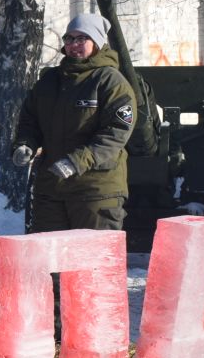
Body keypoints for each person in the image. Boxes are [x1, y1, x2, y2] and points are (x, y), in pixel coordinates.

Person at [13, 12, 135, 232]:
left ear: (97, 42)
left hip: (96, 191)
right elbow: (30, 121)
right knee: (49, 252)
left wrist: (76, 162)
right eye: (69, 38)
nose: (73, 45)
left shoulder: (110, 81)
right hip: (51, 190)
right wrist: (25, 144)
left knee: (92, 253)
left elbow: (115, 134)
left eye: (81, 38)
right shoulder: (50, 80)